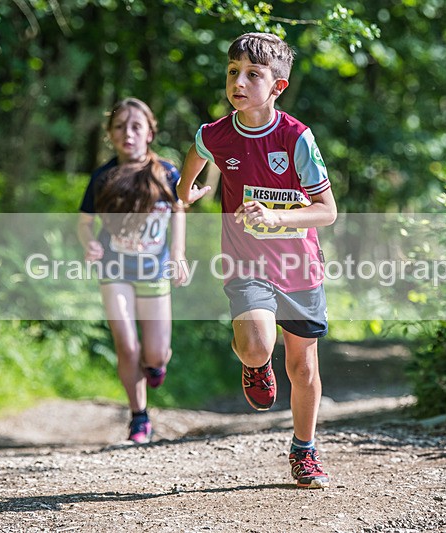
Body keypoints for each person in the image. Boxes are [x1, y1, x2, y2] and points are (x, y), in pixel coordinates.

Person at [178, 33, 337, 488]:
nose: (239, 82)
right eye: (233, 72)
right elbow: (196, 153)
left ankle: (304, 450)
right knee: (256, 346)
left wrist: (275, 216)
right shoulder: (216, 134)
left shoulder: (296, 138)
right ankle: (254, 363)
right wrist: (185, 191)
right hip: (245, 262)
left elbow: (327, 211)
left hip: (298, 266)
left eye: (253, 74)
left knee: (302, 367)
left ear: (277, 86)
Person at [77, 97, 186, 444]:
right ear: (110, 134)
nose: (128, 134)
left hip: (154, 270)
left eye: (136, 127)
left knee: (155, 353)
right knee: (126, 345)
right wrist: (89, 244)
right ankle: (139, 417)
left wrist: (178, 254)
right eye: (120, 127)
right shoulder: (103, 177)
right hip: (115, 268)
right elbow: (84, 222)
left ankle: (156, 365)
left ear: (150, 133)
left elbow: (179, 211)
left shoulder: (167, 173)